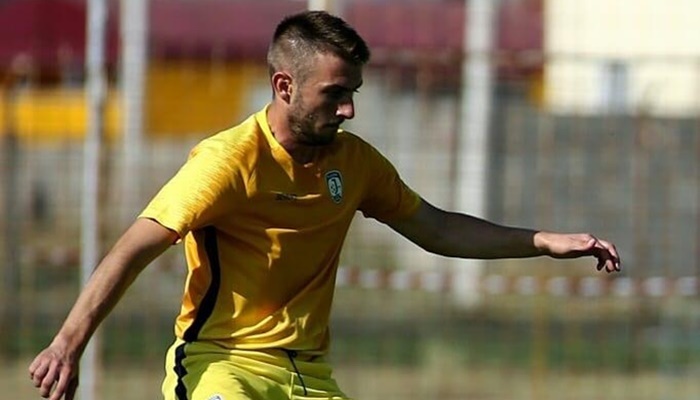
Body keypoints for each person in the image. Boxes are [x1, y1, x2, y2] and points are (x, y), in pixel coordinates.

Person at [29, 10, 621, 400]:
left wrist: (541, 242)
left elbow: (436, 228)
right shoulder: (228, 161)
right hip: (222, 366)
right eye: (335, 94)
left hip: (308, 374)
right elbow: (134, 247)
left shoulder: (354, 163)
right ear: (284, 86)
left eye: (352, 94)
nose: (349, 110)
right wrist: (67, 343)